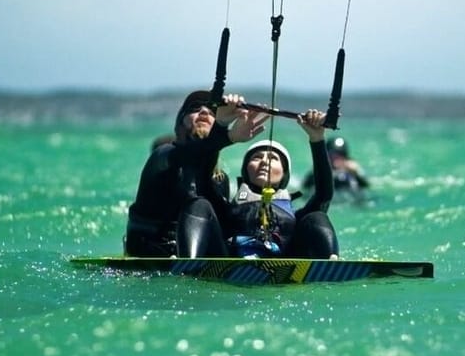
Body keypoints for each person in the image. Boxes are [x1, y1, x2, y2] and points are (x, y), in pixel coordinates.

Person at [124, 90, 267, 258]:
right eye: (195, 108)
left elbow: (224, 228)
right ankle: (187, 268)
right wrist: (224, 131)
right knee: (199, 205)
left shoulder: (220, 180)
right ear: (180, 124)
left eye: (213, 111)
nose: (205, 112)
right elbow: (191, 155)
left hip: (204, 259)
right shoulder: (163, 157)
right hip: (152, 251)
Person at [211, 109, 339, 259]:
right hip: (229, 262)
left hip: (289, 265)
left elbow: (324, 195)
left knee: (317, 217)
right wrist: (221, 127)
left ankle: (331, 264)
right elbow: (202, 173)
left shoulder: (297, 218)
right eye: (257, 157)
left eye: (273, 158)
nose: (264, 161)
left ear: (284, 174)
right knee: (200, 205)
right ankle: (189, 259)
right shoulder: (225, 210)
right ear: (246, 169)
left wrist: (317, 138)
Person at [303, 135, 370, 197]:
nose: (336, 160)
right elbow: (305, 186)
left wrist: (356, 173)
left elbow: (366, 186)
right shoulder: (318, 173)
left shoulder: (352, 174)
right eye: (332, 155)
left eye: (340, 155)